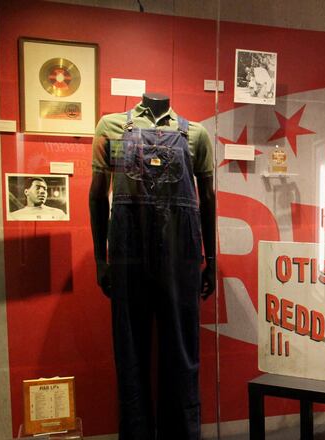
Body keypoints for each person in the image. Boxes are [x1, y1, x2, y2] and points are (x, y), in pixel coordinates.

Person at [89, 93, 216, 440]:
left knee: (181, 351)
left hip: (181, 256)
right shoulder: (110, 127)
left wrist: (212, 262)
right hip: (129, 254)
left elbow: (208, 200)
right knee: (130, 351)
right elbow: (97, 195)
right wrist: (102, 259)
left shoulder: (198, 135)